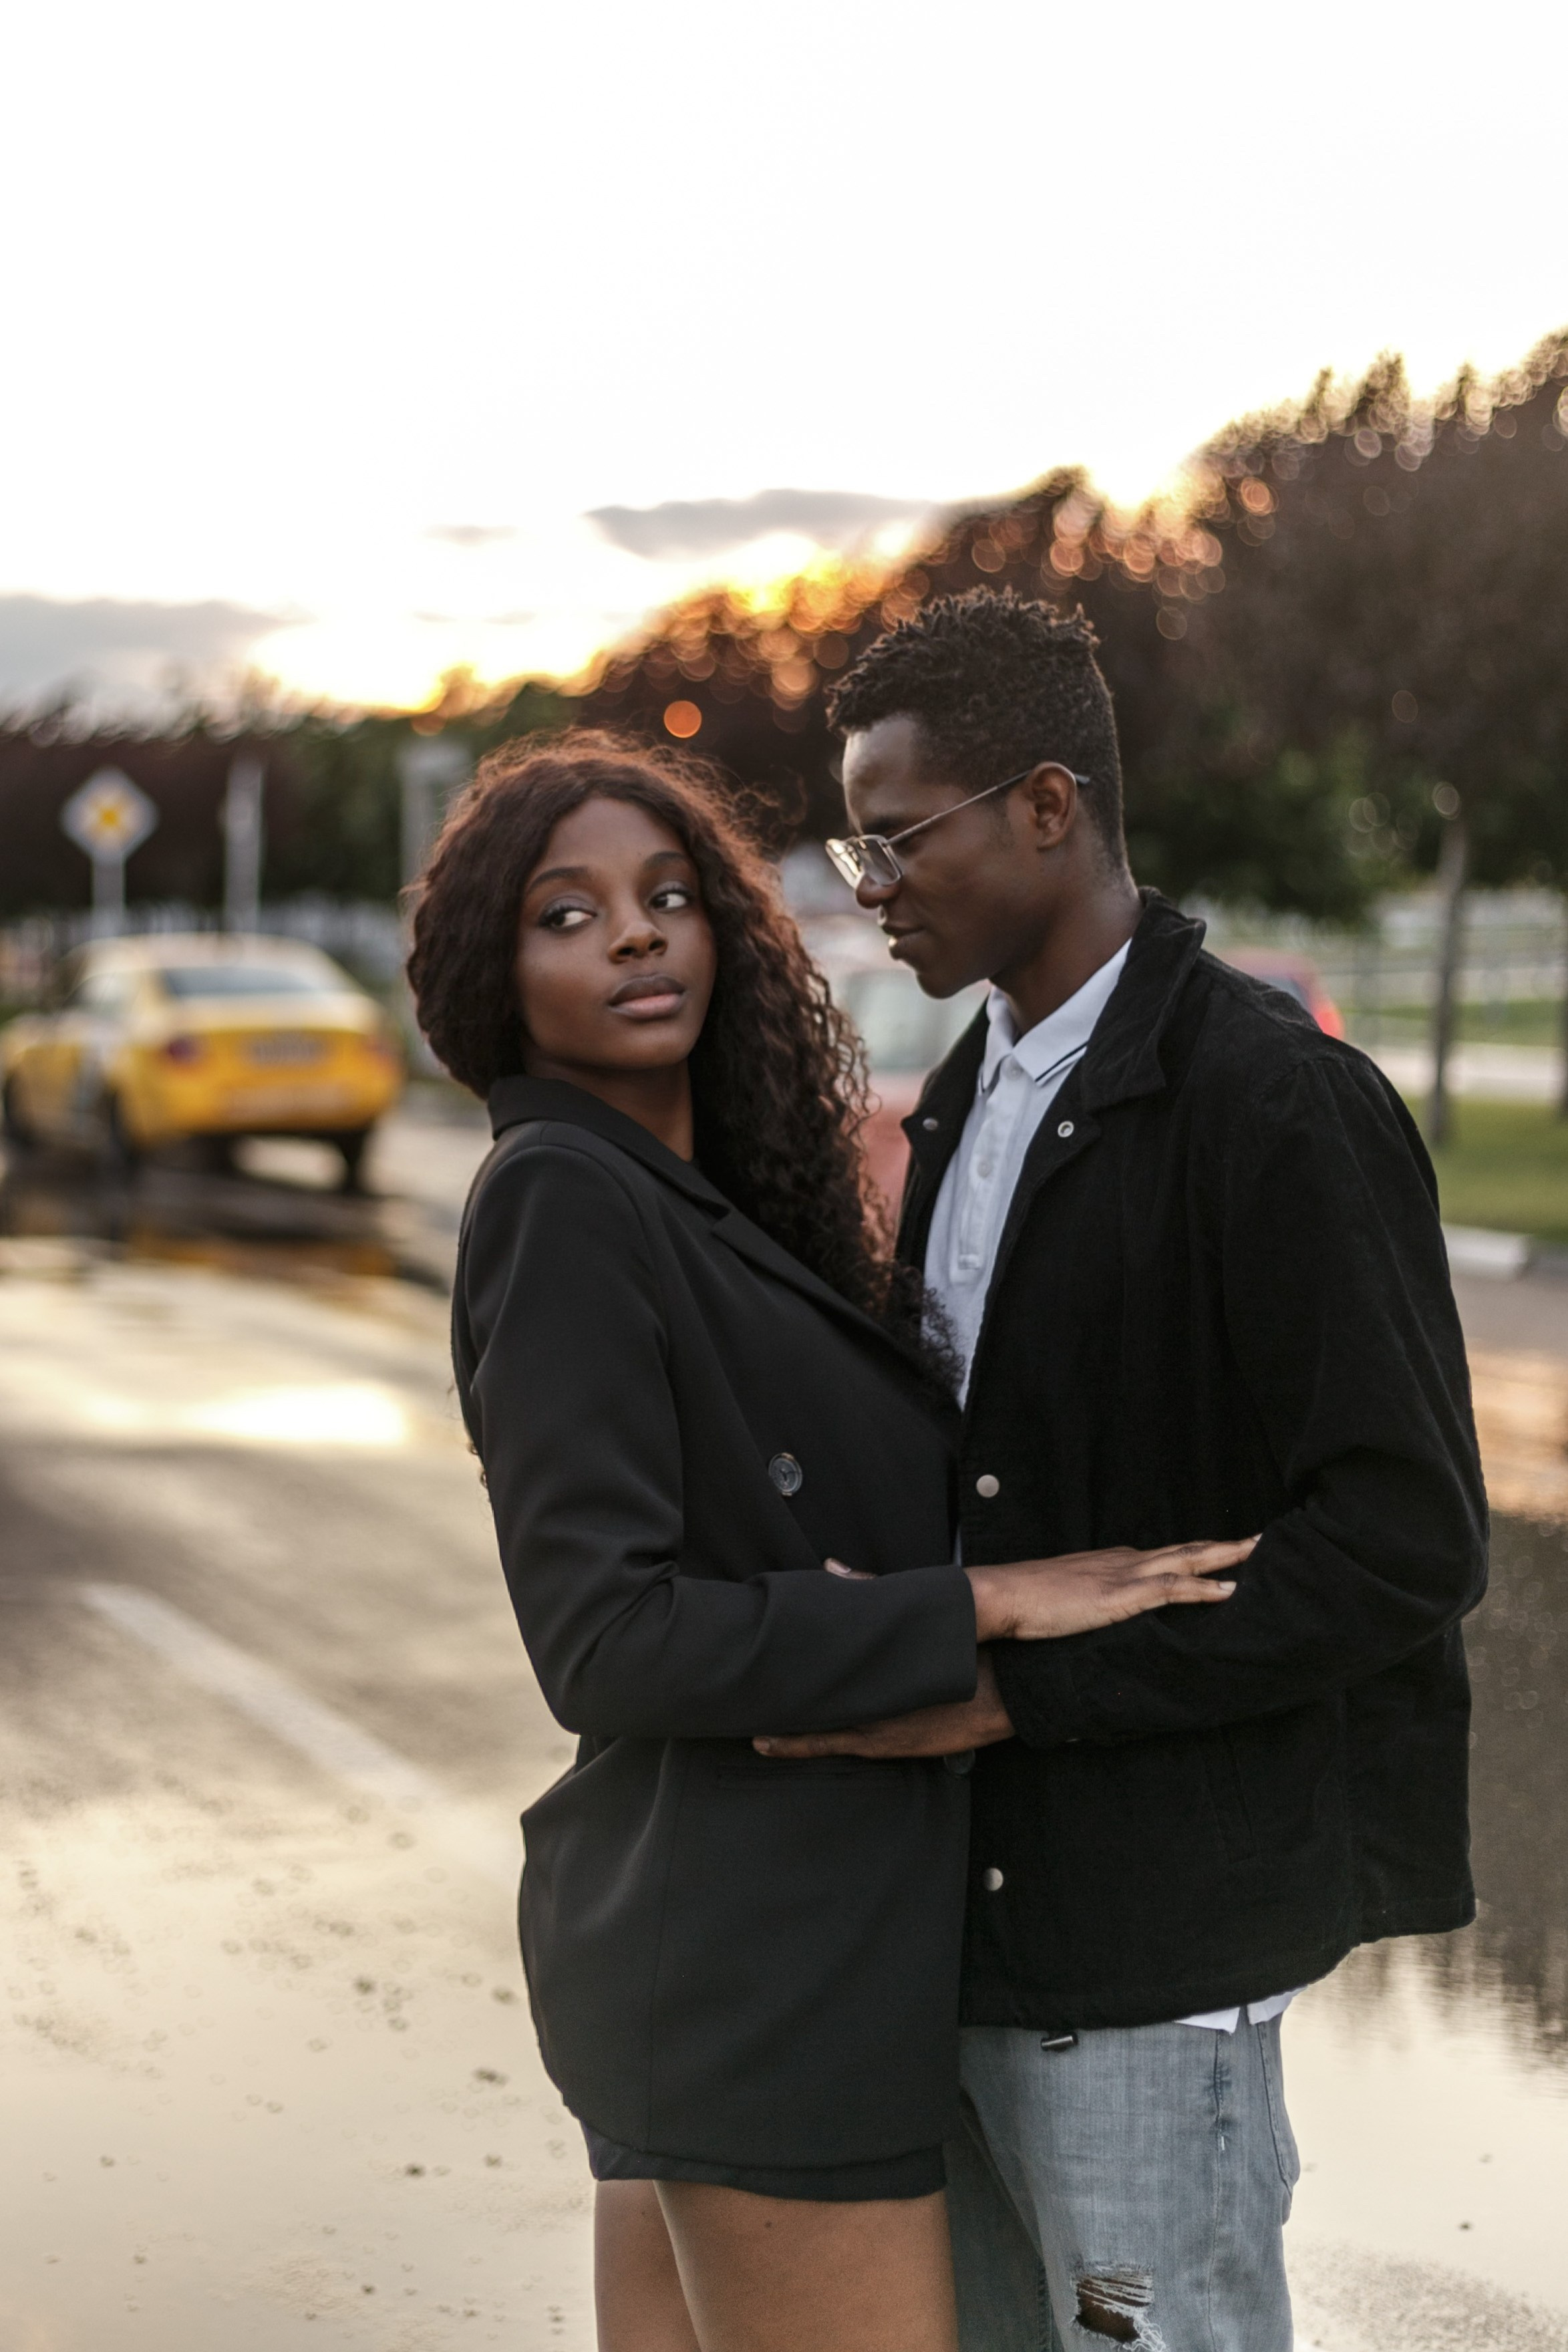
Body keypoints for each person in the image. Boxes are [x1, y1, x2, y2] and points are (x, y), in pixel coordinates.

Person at [406, 730, 1251, 2352]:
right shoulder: (562, 1198)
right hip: (757, 1963)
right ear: (487, 974)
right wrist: (983, 1602)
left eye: (666, 896)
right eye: (566, 914)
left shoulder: (680, 1193)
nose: (637, 934)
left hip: (728, 1946)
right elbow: (607, 1638)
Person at [762, 590, 1488, 2352]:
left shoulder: (1270, 1105)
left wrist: (1020, 1702)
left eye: (897, 835)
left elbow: (1401, 1542)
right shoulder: (958, 1098)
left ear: (1042, 806)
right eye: (856, 844)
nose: (870, 884)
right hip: (963, 1935)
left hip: (1159, 1954)